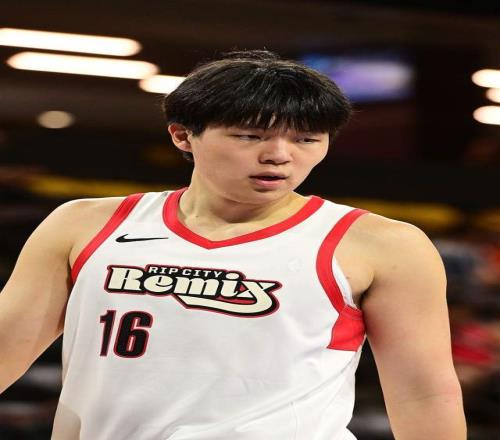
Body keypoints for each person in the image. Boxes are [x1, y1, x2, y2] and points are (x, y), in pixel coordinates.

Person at [0, 49, 466, 439]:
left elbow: (424, 393)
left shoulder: (383, 245)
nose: (279, 156)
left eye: (306, 139)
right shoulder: (84, 224)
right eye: (250, 136)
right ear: (182, 135)